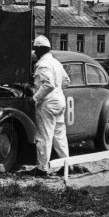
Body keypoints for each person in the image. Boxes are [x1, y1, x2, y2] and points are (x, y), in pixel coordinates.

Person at [29, 35, 70, 177]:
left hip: (47, 102)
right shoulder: (56, 63)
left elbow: (48, 84)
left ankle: (41, 168)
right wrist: (58, 91)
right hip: (60, 100)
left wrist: (35, 98)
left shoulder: (43, 64)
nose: (34, 52)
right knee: (59, 136)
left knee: (43, 136)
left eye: (35, 49)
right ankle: (66, 165)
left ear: (40, 50)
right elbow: (66, 81)